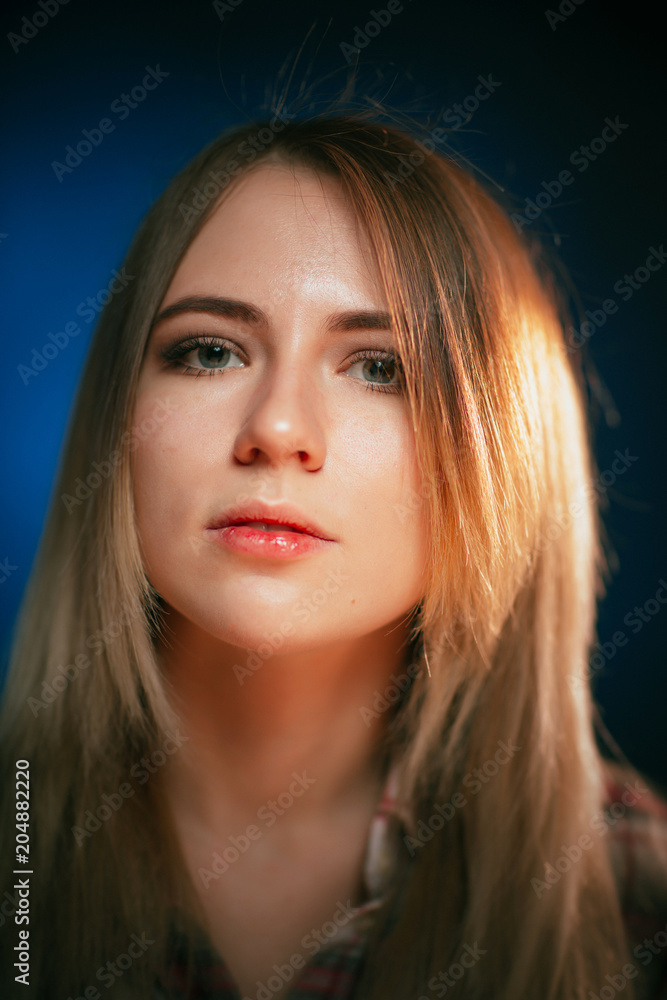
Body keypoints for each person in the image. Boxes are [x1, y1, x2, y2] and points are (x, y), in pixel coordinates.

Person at [1, 110, 666, 1000]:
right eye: (208, 351)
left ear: (503, 450)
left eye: (381, 368)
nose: (277, 428)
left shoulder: (632, 883)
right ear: (117, 421)